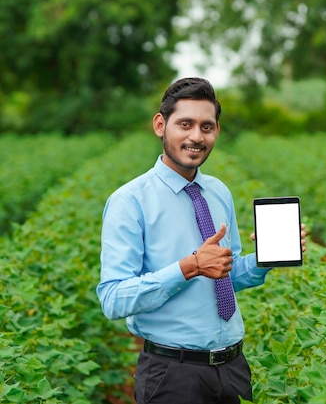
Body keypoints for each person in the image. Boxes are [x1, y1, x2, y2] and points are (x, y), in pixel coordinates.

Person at [97, 77, 306, 404]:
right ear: (160, 125)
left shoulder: (218, 191)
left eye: (207, 127)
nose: (196, 136)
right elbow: (113, 299)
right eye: (185, 124)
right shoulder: (130, 201)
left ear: (217, 132)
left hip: (233, 368)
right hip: (172, 375)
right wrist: (189, 266)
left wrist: (266, 257)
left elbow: (227, 275)